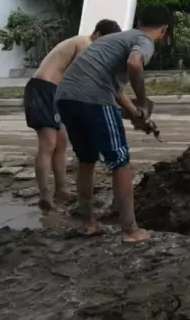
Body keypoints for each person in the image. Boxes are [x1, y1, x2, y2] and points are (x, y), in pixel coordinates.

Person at [54, 5, 171, 243]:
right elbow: (135, 64)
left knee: (86, 159)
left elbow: (116, 92)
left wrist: (139, 116)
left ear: (140, 21)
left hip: (66, 97)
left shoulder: (118, 38)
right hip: (93, 98)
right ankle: (130, 229)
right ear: (164, 29)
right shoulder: (143, 40)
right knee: (120, 161)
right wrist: (143, 101)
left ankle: (89, 223)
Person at [24, 19, 122, 212]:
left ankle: (61, 189)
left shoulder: (86, 44)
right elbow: (86, 75)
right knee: (48, 144)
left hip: (55, 92)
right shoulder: (84, 43)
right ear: (98, 35)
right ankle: (45, 195)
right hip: (42, 89)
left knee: (61, 142)